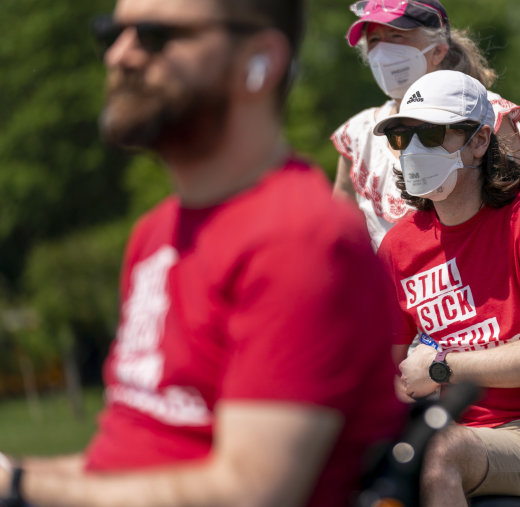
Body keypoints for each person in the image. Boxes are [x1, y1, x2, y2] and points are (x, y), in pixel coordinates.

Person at [0, 0, 405, 506]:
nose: (119, 56)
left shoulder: (303, 238)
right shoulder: (154, 234)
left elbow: (249, 493)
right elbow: (125, 465)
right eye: (112, 34)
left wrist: (18, 487)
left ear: (259, 61)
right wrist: (15, 472)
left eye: (153, 35)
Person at [374, 69, 520, 506]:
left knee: (436, 452)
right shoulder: (398, 245)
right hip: (440, 426)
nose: (413, 151)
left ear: (479, 141)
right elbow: (383, 372)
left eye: (431, 135)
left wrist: (439, 368)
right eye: (402, 137)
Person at [332, 0, 520, 250]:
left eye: (397, 35)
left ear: (437, 51)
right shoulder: (357, 134)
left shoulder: (487, 113)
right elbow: (338, 236)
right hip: (388, 285)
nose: (384, 51)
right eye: (374, 40)